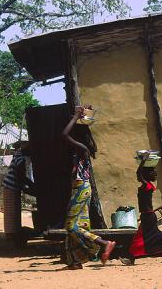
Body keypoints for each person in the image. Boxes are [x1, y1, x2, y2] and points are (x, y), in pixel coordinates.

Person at [60, 105, 115, 270]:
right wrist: (82, 113)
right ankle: (74, 261)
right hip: (82, 188)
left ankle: (104, 243)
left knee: (70, 225)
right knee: (79, 225)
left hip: (81, 188)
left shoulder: (82, 149)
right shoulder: (81, 150)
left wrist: (76, 116)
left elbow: (64, 135)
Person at [120, 152, 162, 265]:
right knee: (156, 235)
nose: (137, 177)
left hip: (147, 216)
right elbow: (139, 174)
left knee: (139, 238)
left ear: (144, 176)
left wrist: (143, 161)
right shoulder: (149, 186)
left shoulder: (147, 186)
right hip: (148, 215)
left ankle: (131, 259)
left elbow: (138, 173)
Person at [2, 141, 37, 243]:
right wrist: (32, 187)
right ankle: (11, 235)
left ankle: (13, 233)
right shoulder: (21, 159)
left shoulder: (18, 156)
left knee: (13, 211)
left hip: (11, 186)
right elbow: (21, 176)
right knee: (11, 211)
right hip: (11, 186)